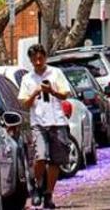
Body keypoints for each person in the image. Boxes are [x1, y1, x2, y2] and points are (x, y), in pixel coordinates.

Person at [17, 43, 73, 209]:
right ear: (31, 60)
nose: (38, 62)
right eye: (35, 59)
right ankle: (36, 185)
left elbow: (65, 94)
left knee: (55, 161)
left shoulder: (56, 73)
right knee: (40, 157)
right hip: (39, 123)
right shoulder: (27, 79)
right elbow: (24, 104)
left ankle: (48, 193)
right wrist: (35, 92)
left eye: (41, 58)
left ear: (45, 57)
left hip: (57, 121)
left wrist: (52, 91)